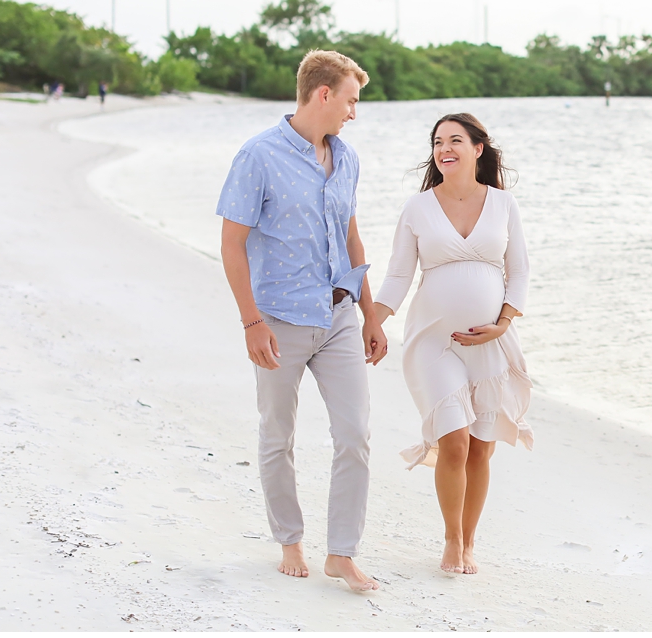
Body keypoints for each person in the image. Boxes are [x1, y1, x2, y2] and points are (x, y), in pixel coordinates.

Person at [217, 49, 388, 592]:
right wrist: (251, 323)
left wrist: (370, 313)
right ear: (323, 94)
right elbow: (232, 244)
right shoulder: (258, 156)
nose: (353, 114)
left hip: (338, 316)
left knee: (356, 433)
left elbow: (351, 237)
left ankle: (341, 553)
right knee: (278, 435)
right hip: (280, 320)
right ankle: (290, 541)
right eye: (351, 101)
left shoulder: (348, 159)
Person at [373, 112, 533, 575]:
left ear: (477, 149)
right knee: (455, 442)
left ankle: (470, 542)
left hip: (489, 344)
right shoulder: (418, 208)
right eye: (439, 141)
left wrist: (503, 323)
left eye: (456, 140)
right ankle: (451, 539)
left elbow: (519, 272)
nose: (445, 148)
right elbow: (399, 275)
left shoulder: (503, 205)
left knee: (482, 446)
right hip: (433, 342)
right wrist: (374, 321)